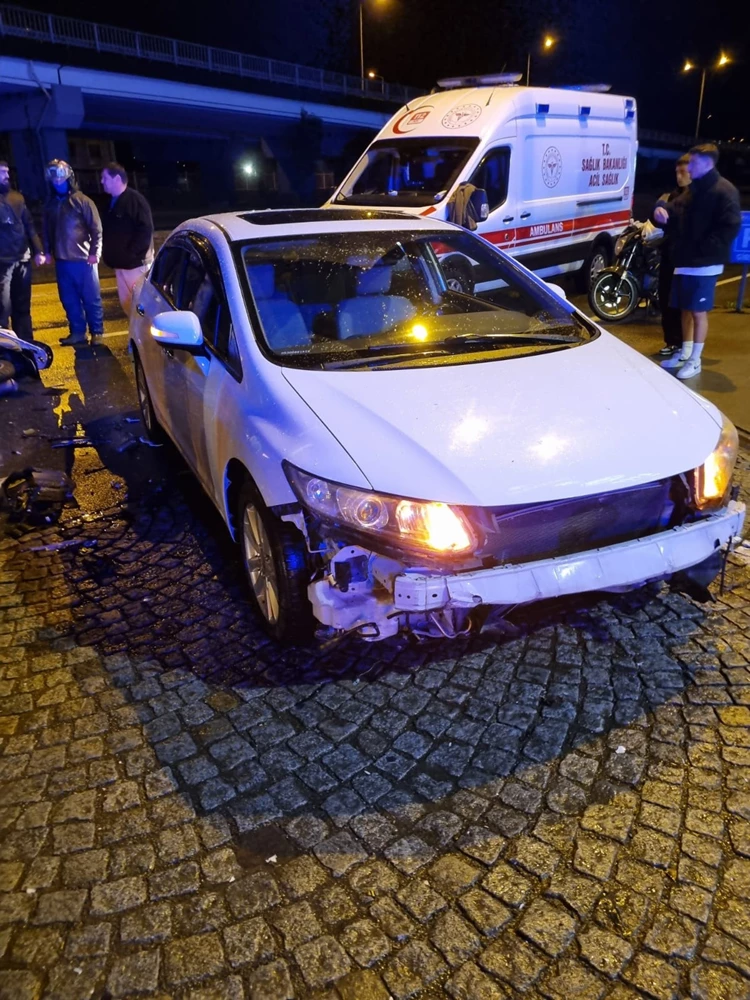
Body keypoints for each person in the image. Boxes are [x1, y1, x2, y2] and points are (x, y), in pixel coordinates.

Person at [654, 143, 741, 380]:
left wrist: (703, 248)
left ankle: (695, 360)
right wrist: (661, 210)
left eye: (693, 163)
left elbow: (730, 226)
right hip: (685, 260)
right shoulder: (693, 191)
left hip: (705, 262)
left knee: (698, 311)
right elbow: (671, 210)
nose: (689, 167)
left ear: (707, 163)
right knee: (685, 308)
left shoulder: (723, 190)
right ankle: (685, 352)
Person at [43, 159, 104, 346]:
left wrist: (95, 252)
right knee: (69, 299)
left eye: (60, 178)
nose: (57, 182)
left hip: (84, 260)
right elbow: (47, 230)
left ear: (68, 177)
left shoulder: (83, 201)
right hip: (62, 261)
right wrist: (46, 252)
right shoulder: (51, 204)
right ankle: (78, 332)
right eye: (54, 179)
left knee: (91, 298)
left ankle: (97, 332)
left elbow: (96, 229)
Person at [100, 162, 154, 316]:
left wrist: (131, 253)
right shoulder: (111, 203)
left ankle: (149, 339)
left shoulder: (135, 201)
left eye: (104, 177)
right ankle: (135, 338)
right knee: (130, 308)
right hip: (122, 265)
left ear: (116, 178)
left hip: (135, 266)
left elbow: (145, 230)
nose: (102, 181)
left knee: (144, 308)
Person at [0, 161, 46, 342]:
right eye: (2, 173)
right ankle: (4, 351)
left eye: (7, 172)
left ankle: (26, 345)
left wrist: (39, 250)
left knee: (22, 308)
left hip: (22, 260)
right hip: (2, 263)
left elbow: (29, 226)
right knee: (2, 309)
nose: (6, 176)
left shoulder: (17, 198)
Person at [655, 154, 691, 357]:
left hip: (688, 258)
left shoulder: (698, 197)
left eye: (683, 172)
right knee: (665, 298)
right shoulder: (672, 195)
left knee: (684, 305)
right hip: (669, 254)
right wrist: (658, 208)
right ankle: (672, 341)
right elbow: (659, 209)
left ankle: (685, 344)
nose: (679, 176)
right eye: (677, 172)